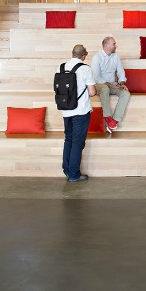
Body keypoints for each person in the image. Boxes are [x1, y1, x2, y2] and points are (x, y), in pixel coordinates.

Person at [58, 44, 96, 182]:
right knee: (77, 142)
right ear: (84, 55)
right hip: (80, 111)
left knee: (68, 139)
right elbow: (92, 92)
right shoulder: (85, 69)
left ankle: (67, 170)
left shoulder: (61, 67)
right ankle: (74, 175)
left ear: (72, 53)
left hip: (65, 110)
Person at [91, 36, 130, 133]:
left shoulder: (115, 56)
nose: (116, 46)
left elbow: (121, 71)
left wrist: (121, 83)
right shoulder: (97, 58)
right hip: (98, 85)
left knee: (125, 93)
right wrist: (112, 86)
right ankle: (108, 118)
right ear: (106, 45)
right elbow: (96, 78)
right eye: (114, 44)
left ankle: (114, 121)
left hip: (112, 84)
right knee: (105, 88)